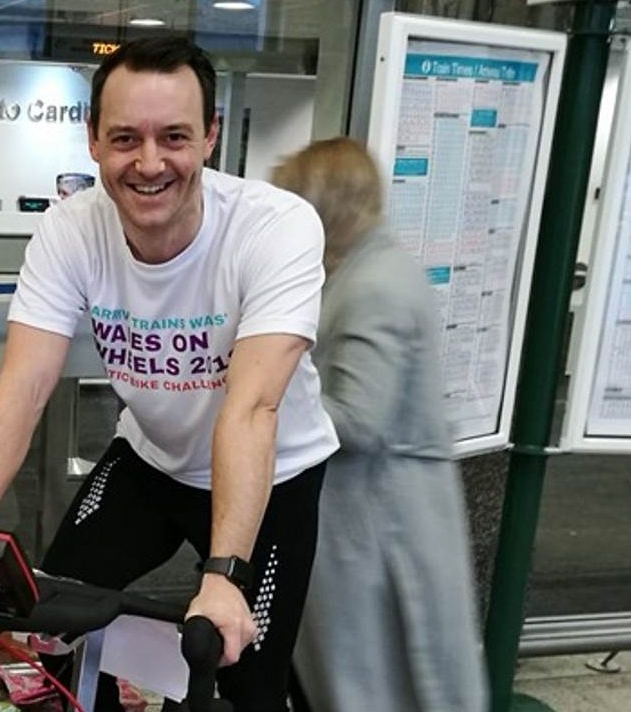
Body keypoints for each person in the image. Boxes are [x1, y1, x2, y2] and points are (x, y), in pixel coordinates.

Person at [0, 36, 338, 711]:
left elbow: (251, 410)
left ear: (212, 137)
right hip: (152, 459)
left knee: (239, 671)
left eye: (176, 137)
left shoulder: (275, 228)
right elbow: (23, 389)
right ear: (94, 140)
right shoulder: (70, 231)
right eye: (127, 137)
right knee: (57, 630)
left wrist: (222, 577)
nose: (150, 162)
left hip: (272, 476)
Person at [274, 138, 489, 712]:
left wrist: (267, 408)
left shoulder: (374, 285)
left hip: (378, 522)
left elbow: (361, 420)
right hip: (381, 512)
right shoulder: (376, 266)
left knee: (377, 679)